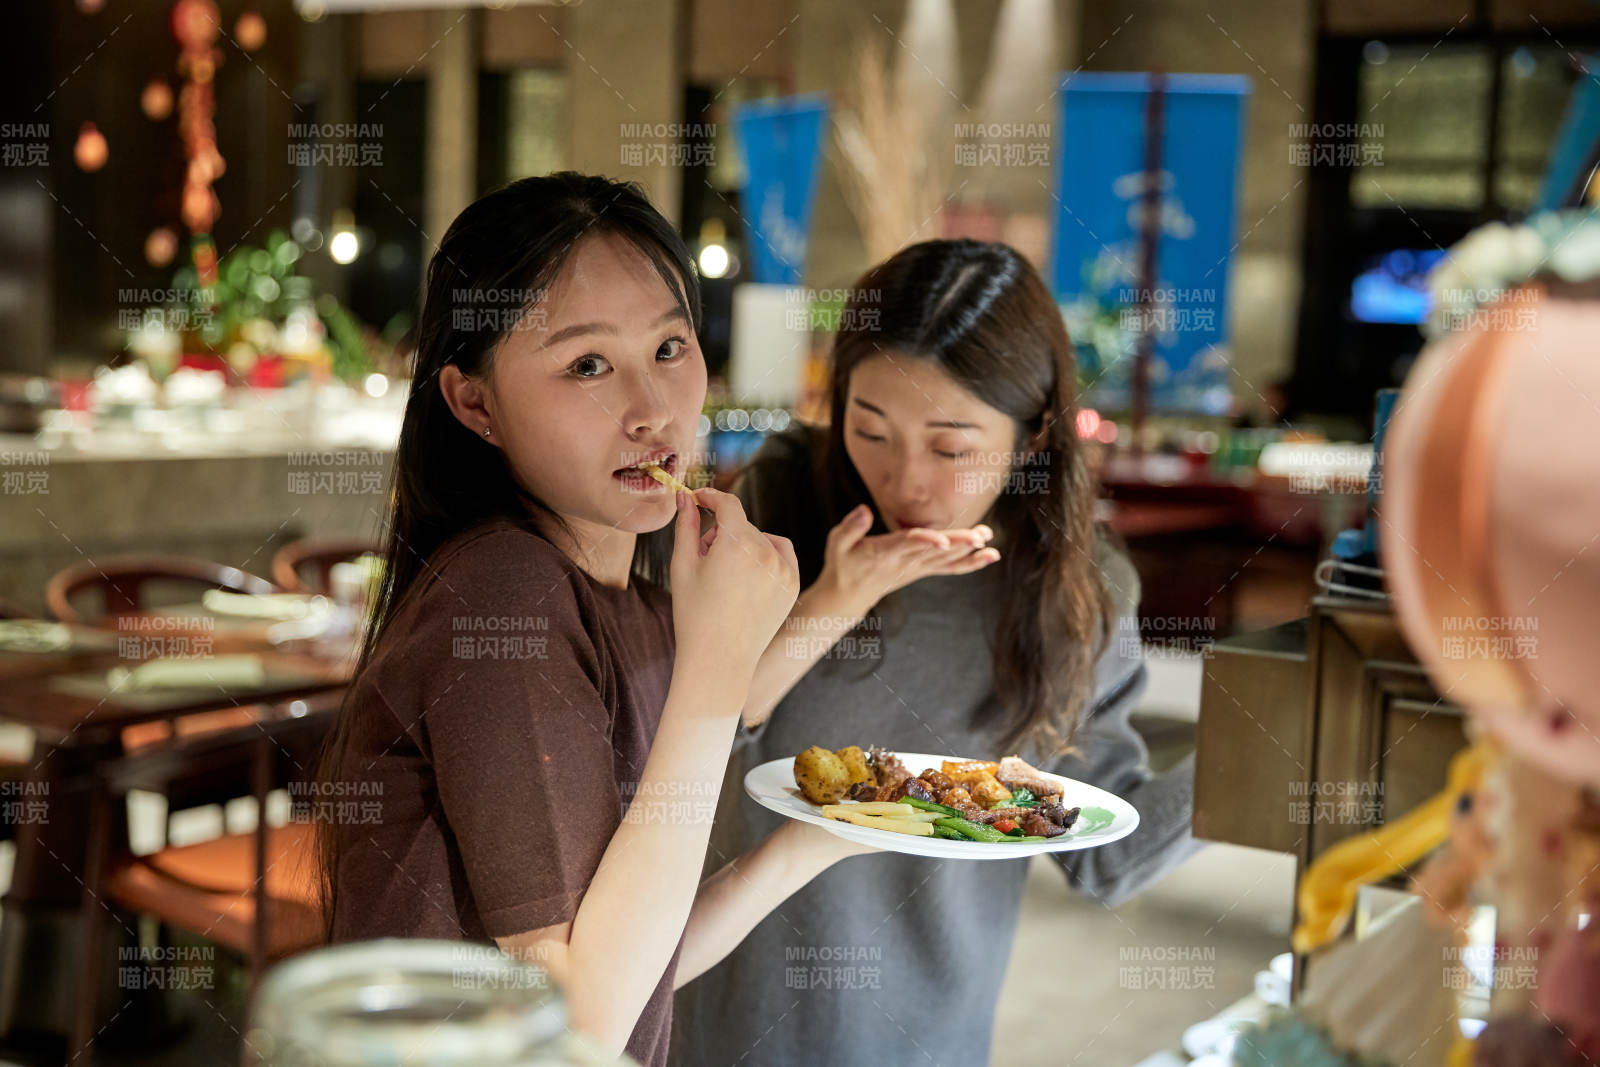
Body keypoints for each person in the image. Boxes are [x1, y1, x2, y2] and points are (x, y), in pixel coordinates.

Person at [315, 172, 877, 1067]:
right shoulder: (504, 599)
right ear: (475, 404)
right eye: (586, 364)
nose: (654, 412)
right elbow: (579, 1023)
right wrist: (715, 667)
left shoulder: (628, 595)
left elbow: (636, 955)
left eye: (669, 345)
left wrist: (825, 836)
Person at [671, 239, 1201, 1065]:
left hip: (928, 1038)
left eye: (951, 447)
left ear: (1034, 437)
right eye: (869, 428)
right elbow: (674, 746)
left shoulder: (1076, 592)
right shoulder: (781, 504)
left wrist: (1288, 742)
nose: (904, 479)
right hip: (728, 1020)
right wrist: (833, 602)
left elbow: (1108, 856)